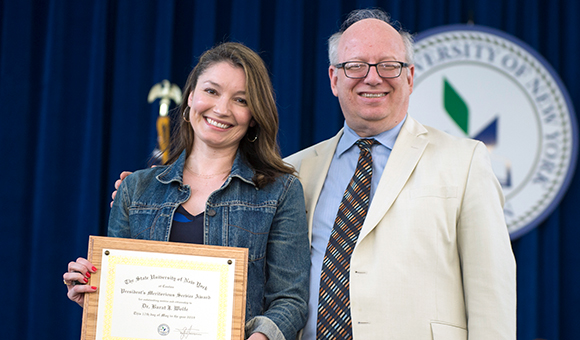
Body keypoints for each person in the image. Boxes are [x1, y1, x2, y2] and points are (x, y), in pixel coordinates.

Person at [112, 8, 517, 340]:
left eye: (389, 66)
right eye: (355, 65)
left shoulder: (464, 161)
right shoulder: (293, 173)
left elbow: (491, 294)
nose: (372, 77)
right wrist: (142, 199)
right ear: (333, 78)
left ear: (410, 77)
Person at [63, 42, 310, 340]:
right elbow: (122, 296)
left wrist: (261, 338)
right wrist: (93, 294)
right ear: (190, 96)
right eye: (211, 91)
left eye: (241, 100)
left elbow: (290, 301)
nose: (222, 109)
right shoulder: (135, 189)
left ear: (254, 115)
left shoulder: (280, 191)